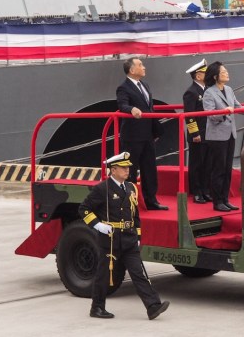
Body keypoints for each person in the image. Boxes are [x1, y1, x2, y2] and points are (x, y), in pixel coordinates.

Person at [78, 152, 170, 320]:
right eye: (123, 167)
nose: (127, 170)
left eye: (128, 167)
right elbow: (83, 208)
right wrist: (98, 225)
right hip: (110, 239)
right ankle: (97, 307)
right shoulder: (102, 189)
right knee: (103, 275)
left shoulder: (130, 188)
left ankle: (152, 306)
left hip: (128, 237)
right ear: (113, 170)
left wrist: (138, 235)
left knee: (138, 273)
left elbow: (135, 214)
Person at [203, 61, 244, 212]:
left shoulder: (229, 89)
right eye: (223, 72)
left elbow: (237, 107)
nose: (227, 73)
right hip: (216, 136)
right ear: (216, 76)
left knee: (227, 168)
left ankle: (225, 199)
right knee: (218, 169)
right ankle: (217, 201)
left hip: (230, 133)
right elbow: (210, 114)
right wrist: (224, 112)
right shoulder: (209, 93)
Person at [116, 57, 166, 211]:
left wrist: (155, 129)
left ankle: (151, 200)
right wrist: (131, 109)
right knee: (130, 170)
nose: (144, 67)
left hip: (147, 135)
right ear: (132, 70)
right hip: (133, 135)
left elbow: (150, 108)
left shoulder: (145, 85)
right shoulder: (123, 88)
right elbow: (122, 104)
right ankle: (130, 202)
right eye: (140, 65)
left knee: (150, 168)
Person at [183, 59, 211, 204]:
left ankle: (206, 190)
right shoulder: (191, 92)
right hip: (198, 134)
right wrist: (195, 134)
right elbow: (189, 115)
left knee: (207, 163)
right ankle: (197, 192)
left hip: (209, 132)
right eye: (205, 73)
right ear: (198, 76)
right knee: (196, 164)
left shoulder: (208, 90)